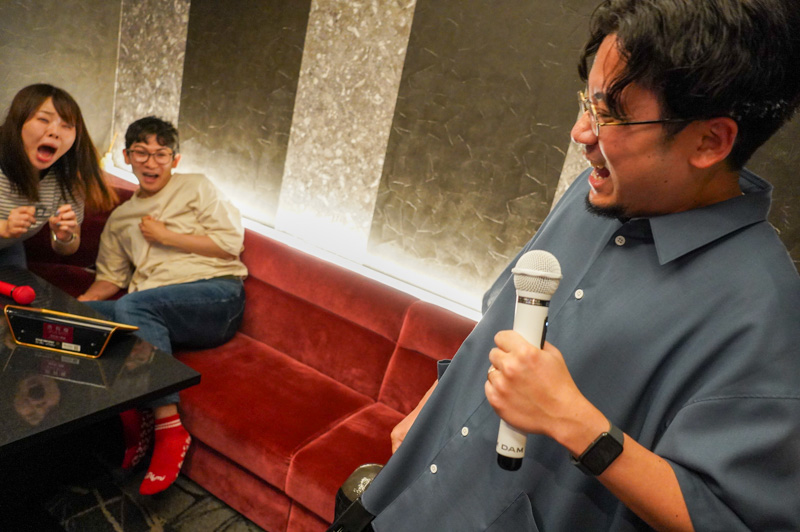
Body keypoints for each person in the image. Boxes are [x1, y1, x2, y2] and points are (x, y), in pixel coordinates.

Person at [350, 0, 800, 530]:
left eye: (610, 114)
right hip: (398, 498)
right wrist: (429, 408)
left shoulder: (764, 313)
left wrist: (577, 424)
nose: (581, 132)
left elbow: (730, 519)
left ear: (710, 141)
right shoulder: (592, 197)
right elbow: (501, 324)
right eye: (588, 101)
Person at [77, 116, 248, 495]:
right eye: (141, 153)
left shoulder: (195, 186)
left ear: (175, 160)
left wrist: (166, 236)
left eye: (161, 154)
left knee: (134, 307)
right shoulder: (121, 219)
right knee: (84, 320)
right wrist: (79, 305)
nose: (151, 162)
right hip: (156, 308)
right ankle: (129, 413)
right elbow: (111, 279)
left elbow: (229, 244)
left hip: (216, 296)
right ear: (127, 157)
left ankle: (168, 427)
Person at [0, 83, 117, 267]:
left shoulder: (67, 177)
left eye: (67, 125)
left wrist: (65, 236)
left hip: (6, 249)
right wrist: (4, 227)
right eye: (43, 120)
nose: (54, 132)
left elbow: (67, 247)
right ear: (18, 121)